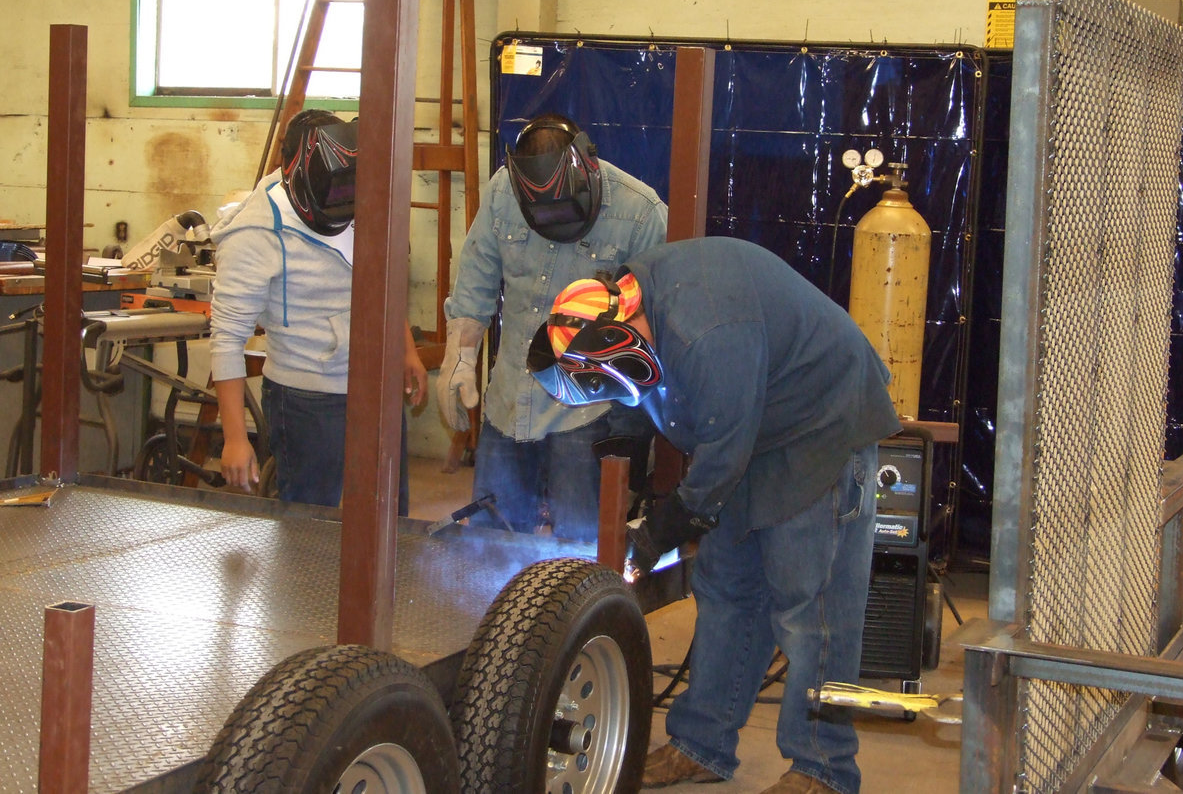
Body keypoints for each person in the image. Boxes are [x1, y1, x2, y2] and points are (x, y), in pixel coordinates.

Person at [526, 236, 901, 794]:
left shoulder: (704, 329)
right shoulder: (639, 304)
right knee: (726, 589)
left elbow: (723, 445)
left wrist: (675, 521)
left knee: (810, 611)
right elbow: (689, 416)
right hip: (757, 426)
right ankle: (701, 745)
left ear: (622, 342)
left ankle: (821, 769)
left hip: (820, 423)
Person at [437, 113, 667, 542]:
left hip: (587, 414)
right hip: (509, 402)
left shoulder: (641, 213)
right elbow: (477, 276)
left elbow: (658, 328)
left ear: (589, 169)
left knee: (580, 547)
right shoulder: (502, 192)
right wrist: (460, 355)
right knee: (492, 538)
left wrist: (635, 431)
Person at [210, 109, 426, 508]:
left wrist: (405, 349)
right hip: (307, 397)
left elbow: (383, 280)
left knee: (390, 517)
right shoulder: (256, 232)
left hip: (375, 387)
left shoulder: (360, 187)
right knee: (310, 530)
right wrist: (236, 439)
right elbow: (226, 340)